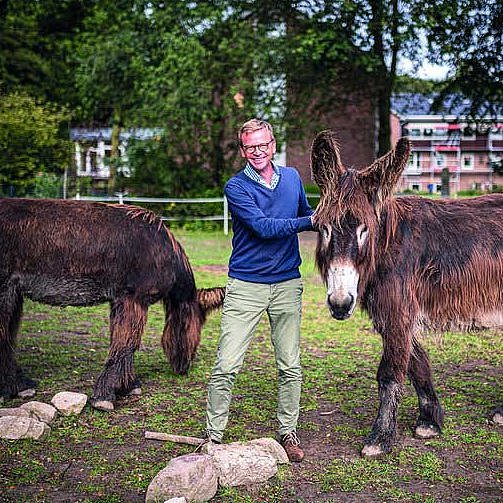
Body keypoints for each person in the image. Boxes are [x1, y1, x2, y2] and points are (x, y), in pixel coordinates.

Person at [205, 118, 314, 462]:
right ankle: (213, 436)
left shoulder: (293, 178)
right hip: (246, 285)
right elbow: (265, 227)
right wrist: (312, 221)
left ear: (273, 144)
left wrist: (327, 216)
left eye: (263, 144)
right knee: (226, 364)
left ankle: (288, 431)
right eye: (250, 147)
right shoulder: (236, 187)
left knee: (290, 366)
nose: (258, 152)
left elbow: (307, 213)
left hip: (287, 285)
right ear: (243, 150)